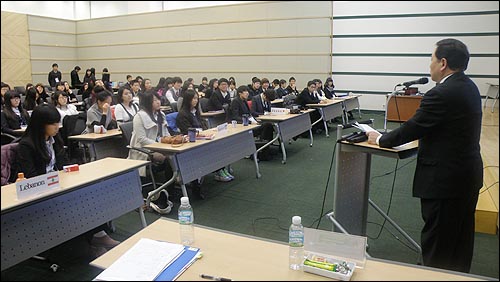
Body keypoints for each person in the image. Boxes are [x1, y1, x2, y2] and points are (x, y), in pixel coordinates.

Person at [366, 39, 483, 273]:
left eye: (431, 59)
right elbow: (445, 127)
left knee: (438, 248)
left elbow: (412, 127)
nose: (428, 65)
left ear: (443, 63)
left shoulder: (441, 94)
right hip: (466, 177)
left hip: (444, 182)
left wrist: (379, 138)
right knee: (459, 243)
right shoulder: (469, 86)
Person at [15, 103, 119, 258]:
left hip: (58, 185)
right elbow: (32, 176)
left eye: (58, 122)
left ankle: (98, 234)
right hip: (41, 191)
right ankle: (84, 243)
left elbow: (64, 163)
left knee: (91, 194)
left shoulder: (54, 139)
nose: (58, 126)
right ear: (40, 124)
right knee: (75, 203)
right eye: (54, 123)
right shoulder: (26, 145)